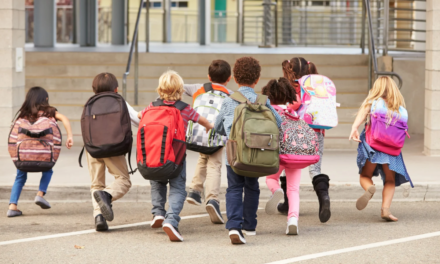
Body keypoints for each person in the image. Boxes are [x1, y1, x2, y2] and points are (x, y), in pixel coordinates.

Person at [138, 70, 213, 242]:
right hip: (176, 159)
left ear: (160, 89)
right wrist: (209, 126)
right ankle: (171, 219)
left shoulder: (152, 106)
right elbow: (201, 120)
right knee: (178, 188)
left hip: (154, 157)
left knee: (157, 183)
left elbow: (139, 116)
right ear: (180, 90)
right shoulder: (184, 109)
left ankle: (158, 212)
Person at [214, 57, 282, 244]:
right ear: (257, 78)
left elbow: (218, 127)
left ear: (235, 78)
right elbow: (278, 123)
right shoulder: (263, 101)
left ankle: (234, 226)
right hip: (256, 154)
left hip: (234, 156)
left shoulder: (229, 101)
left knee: (234, 188)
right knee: (252, 188)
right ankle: (250, 226)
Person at [349, 76, 413, 221]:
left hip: (373, 146)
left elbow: (362, 113)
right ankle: (385, 210)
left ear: (377, 88)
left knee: (365, 176)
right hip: (392, 149)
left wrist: (354, 128)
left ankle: (369, 188)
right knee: (390, 180)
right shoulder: (400, 108)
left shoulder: (373, 102)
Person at [7, 87, 74, 217]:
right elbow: (64, 118)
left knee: (20, 177)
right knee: (48, 170)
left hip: (24, 156)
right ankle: (40, 194)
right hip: (44, 155)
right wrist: (70, 136)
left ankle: (12, 206)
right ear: (46, 99)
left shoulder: (22, 114)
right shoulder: (49, 112)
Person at [279, 57, 331, 224]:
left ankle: (288, 203)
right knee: (315, 169)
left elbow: (293, 105)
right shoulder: (317, 87)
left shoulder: (290, 88)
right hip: (316, 131)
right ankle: (324, 198)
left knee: (289, 164)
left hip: (294, 131)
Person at [86, 73, 140, 231]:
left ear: (94, 88)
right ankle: (106, 196)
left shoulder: (91, 103)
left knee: (96, 184)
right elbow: (138, 121)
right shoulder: (119, 101)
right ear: (116, 89)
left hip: (92, 148)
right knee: (123, 180)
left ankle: (99, 217)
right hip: (113, 147)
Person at [184, 59, 233, 224]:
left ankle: (195, 190)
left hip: (197, 133)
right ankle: (212, 199)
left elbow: (178, 86)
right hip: (215, 135)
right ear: (229, 78)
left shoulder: (198, 88)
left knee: (203, 156)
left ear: (208, 76)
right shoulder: (230, 95)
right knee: (215, 165)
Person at [262, 78, 304, 235]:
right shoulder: (292, 112)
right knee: (293, 189)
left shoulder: (268, 111)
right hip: (293, 154)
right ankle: (293, 219)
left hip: (275, 153)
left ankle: (276, 190)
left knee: (271, 179)